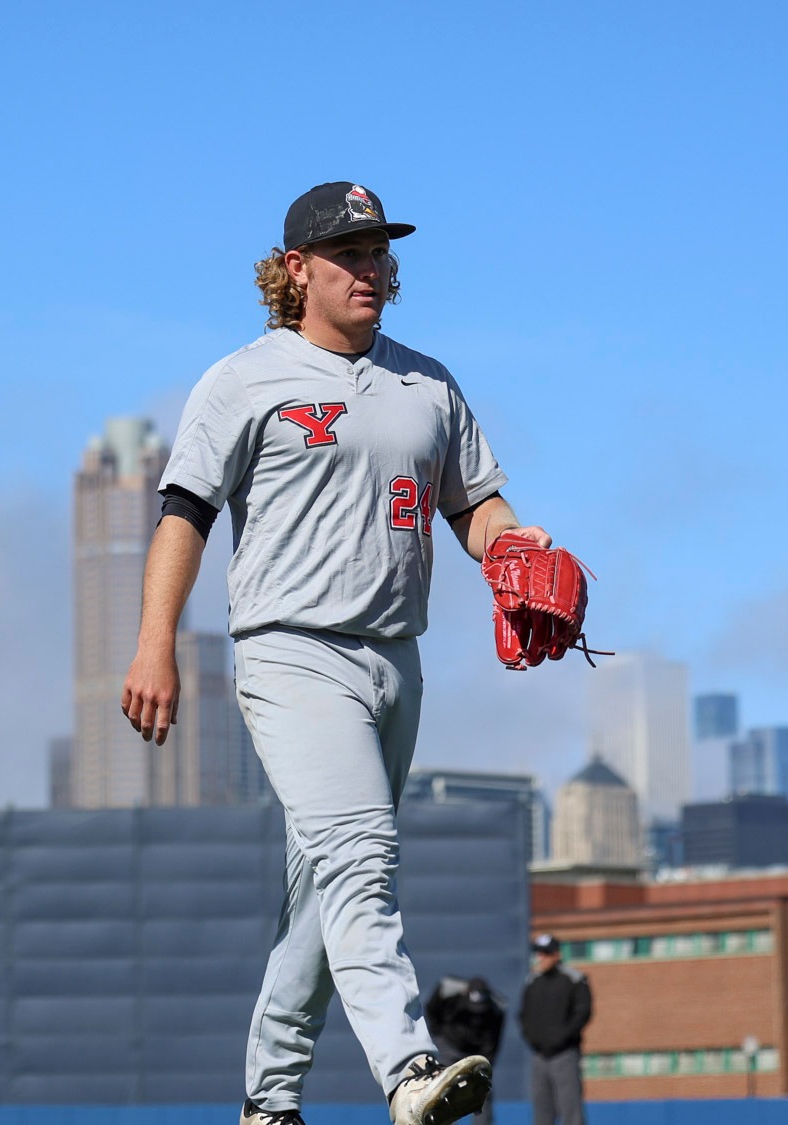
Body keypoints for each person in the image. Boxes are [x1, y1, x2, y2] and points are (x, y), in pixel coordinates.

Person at [122, 181, 554, 1125]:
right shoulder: (244, 378)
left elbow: (474, 504)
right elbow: (185, 511)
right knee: (362, 856)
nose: (371, 267)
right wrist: (156, 642)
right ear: (295, 271)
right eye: (349, 252)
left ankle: (268, 1104)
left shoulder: (427, 381)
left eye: (379, 250)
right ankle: (407, 1070)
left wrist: (515, 551)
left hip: (396, 660)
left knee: (324, 893)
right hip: (291, 650)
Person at [520, 935, 591, 1125]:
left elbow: (583, 1013)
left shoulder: (574, 979)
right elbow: (524, 1016)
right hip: (539, 1056)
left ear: (557, 954)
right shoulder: (533, 981)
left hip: (565, 1054)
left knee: (571, 1112)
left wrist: (563, 1038)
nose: (541, 958)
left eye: (545, 953)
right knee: (542, 1114)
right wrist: (534, 1040)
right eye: (538, 953)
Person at [424, 976, 506, 1124]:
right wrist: (437, 1034)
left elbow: (494, 1040)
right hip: (449, 1046)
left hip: (476, 1053)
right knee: (442, 1089)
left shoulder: (496, 1008)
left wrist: (486, 1063)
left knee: (483, 1092)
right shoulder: (450, 997)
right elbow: (431, 1009)